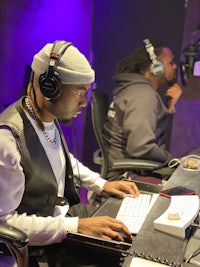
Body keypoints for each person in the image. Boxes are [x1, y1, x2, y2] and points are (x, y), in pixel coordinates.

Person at [0, 40, 140, 267]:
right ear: (49, 88)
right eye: (79, 92)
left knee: (129, 235)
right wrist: (78, 226)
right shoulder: (8, 139)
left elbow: (61, 159)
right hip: (40, 244)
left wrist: (101, 184)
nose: (85, 102)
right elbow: (6, 224)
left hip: (61, 220)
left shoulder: (45, 118)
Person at [102, 38, 183, 181]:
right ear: (156, 66)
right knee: (187, 181)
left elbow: (150, 136)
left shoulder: (135, 90)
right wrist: (174, 161)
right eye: (171, 62)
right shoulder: (143, 95)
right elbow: (141, 148)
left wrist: (168, 108)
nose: (175, 66)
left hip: (132, 170)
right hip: (128, 177)